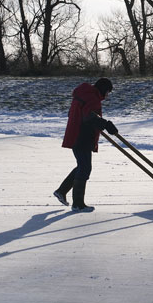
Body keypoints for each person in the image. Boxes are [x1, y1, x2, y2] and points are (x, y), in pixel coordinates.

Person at [53, 78, 118, 212]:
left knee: (82, 166)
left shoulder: (85, 94)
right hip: (81, 137)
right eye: (107, 92)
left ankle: (61, 191)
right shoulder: (92, 98)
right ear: (103, 89)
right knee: (85, 168)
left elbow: (81, 114)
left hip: (79, 136)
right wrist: (105, 124)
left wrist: (103, 124)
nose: (107, 95)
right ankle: (77, 203)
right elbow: (88, 116)